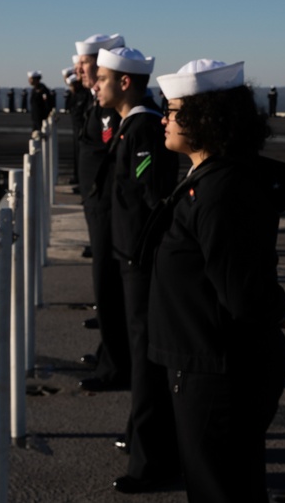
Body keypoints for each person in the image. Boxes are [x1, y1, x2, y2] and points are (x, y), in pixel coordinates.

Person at [149, 59, 285, 502]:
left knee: (220, 487)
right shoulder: (210, 180)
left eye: (174, 111)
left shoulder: (222, 191)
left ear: (206, 119)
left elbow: (242, 291)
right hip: (206, 362)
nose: (165, 119)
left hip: (218, 371)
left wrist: (275, 307)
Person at [93, 46, 179, 493]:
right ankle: (141, 439)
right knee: (142, 355)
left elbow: (152, 198)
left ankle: (152, 461)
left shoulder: (143, 128)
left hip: (140, 263)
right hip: (131, 259)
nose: (94, 84)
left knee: (147, 362)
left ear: (125, 83)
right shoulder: (131, 128)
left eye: (102, 78)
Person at [74, 33, 130, 396]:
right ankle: (107, 353)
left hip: (109, 209)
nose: (78, 69)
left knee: (109, 287)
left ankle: (116, 366)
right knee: (106, 288)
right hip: (100, 206)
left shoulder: (111, 108)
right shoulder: (98, 101)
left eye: (85, 63)